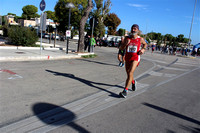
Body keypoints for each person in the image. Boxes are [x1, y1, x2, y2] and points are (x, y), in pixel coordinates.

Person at [119, 24, 147, 98]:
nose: (133, 30)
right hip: (127, 57)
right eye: (132, 28)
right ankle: (133, 82)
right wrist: (125, 44)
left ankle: (125, 90)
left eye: (134, 29)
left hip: (135, 58)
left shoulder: (140, 39)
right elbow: (121, 48)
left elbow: (145, 44)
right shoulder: (127, 38)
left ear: (138, 30)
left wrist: (143, 49)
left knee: (131, 72)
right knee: (129, 74)